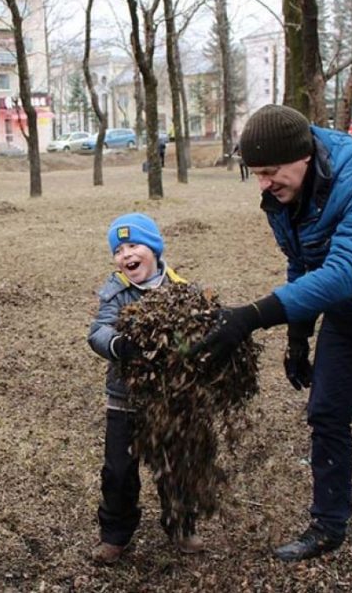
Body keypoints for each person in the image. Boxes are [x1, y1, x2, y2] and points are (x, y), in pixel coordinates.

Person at [191, 104, 352, 562]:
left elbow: (344, 272)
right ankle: (328, 526)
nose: (265, 183)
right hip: (349, 319)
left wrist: (251, 316)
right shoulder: (282, 197)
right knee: (326, 415)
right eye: (256, 174)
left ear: (305, 155)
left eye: (271, 171)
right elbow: (302, 260)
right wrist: (298, 335)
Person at [87, 213, 204, 565]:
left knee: (176, 465)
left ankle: (181, 525)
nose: (126, 255)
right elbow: (98, 332)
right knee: (119, 472)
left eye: (133, 245)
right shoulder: (116, 292)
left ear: (153, 248)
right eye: (118, 249)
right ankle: (115, 535)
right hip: (125, 399)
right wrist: (120, 345)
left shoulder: (182, 289)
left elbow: (202, 331)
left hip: (171, 400)